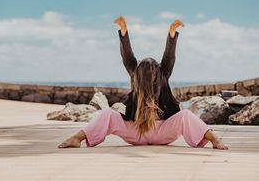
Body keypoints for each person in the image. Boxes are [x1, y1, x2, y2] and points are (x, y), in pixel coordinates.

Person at [58, 16, 228, 150]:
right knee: (109, 114)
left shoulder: (163, 74)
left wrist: (171, 34)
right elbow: (127, 57)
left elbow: (169, 57)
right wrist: (123, 32)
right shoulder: (135, 76)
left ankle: (214, 139)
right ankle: (77, 138)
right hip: (137, 131)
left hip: (162, 130)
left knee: (185, 115)